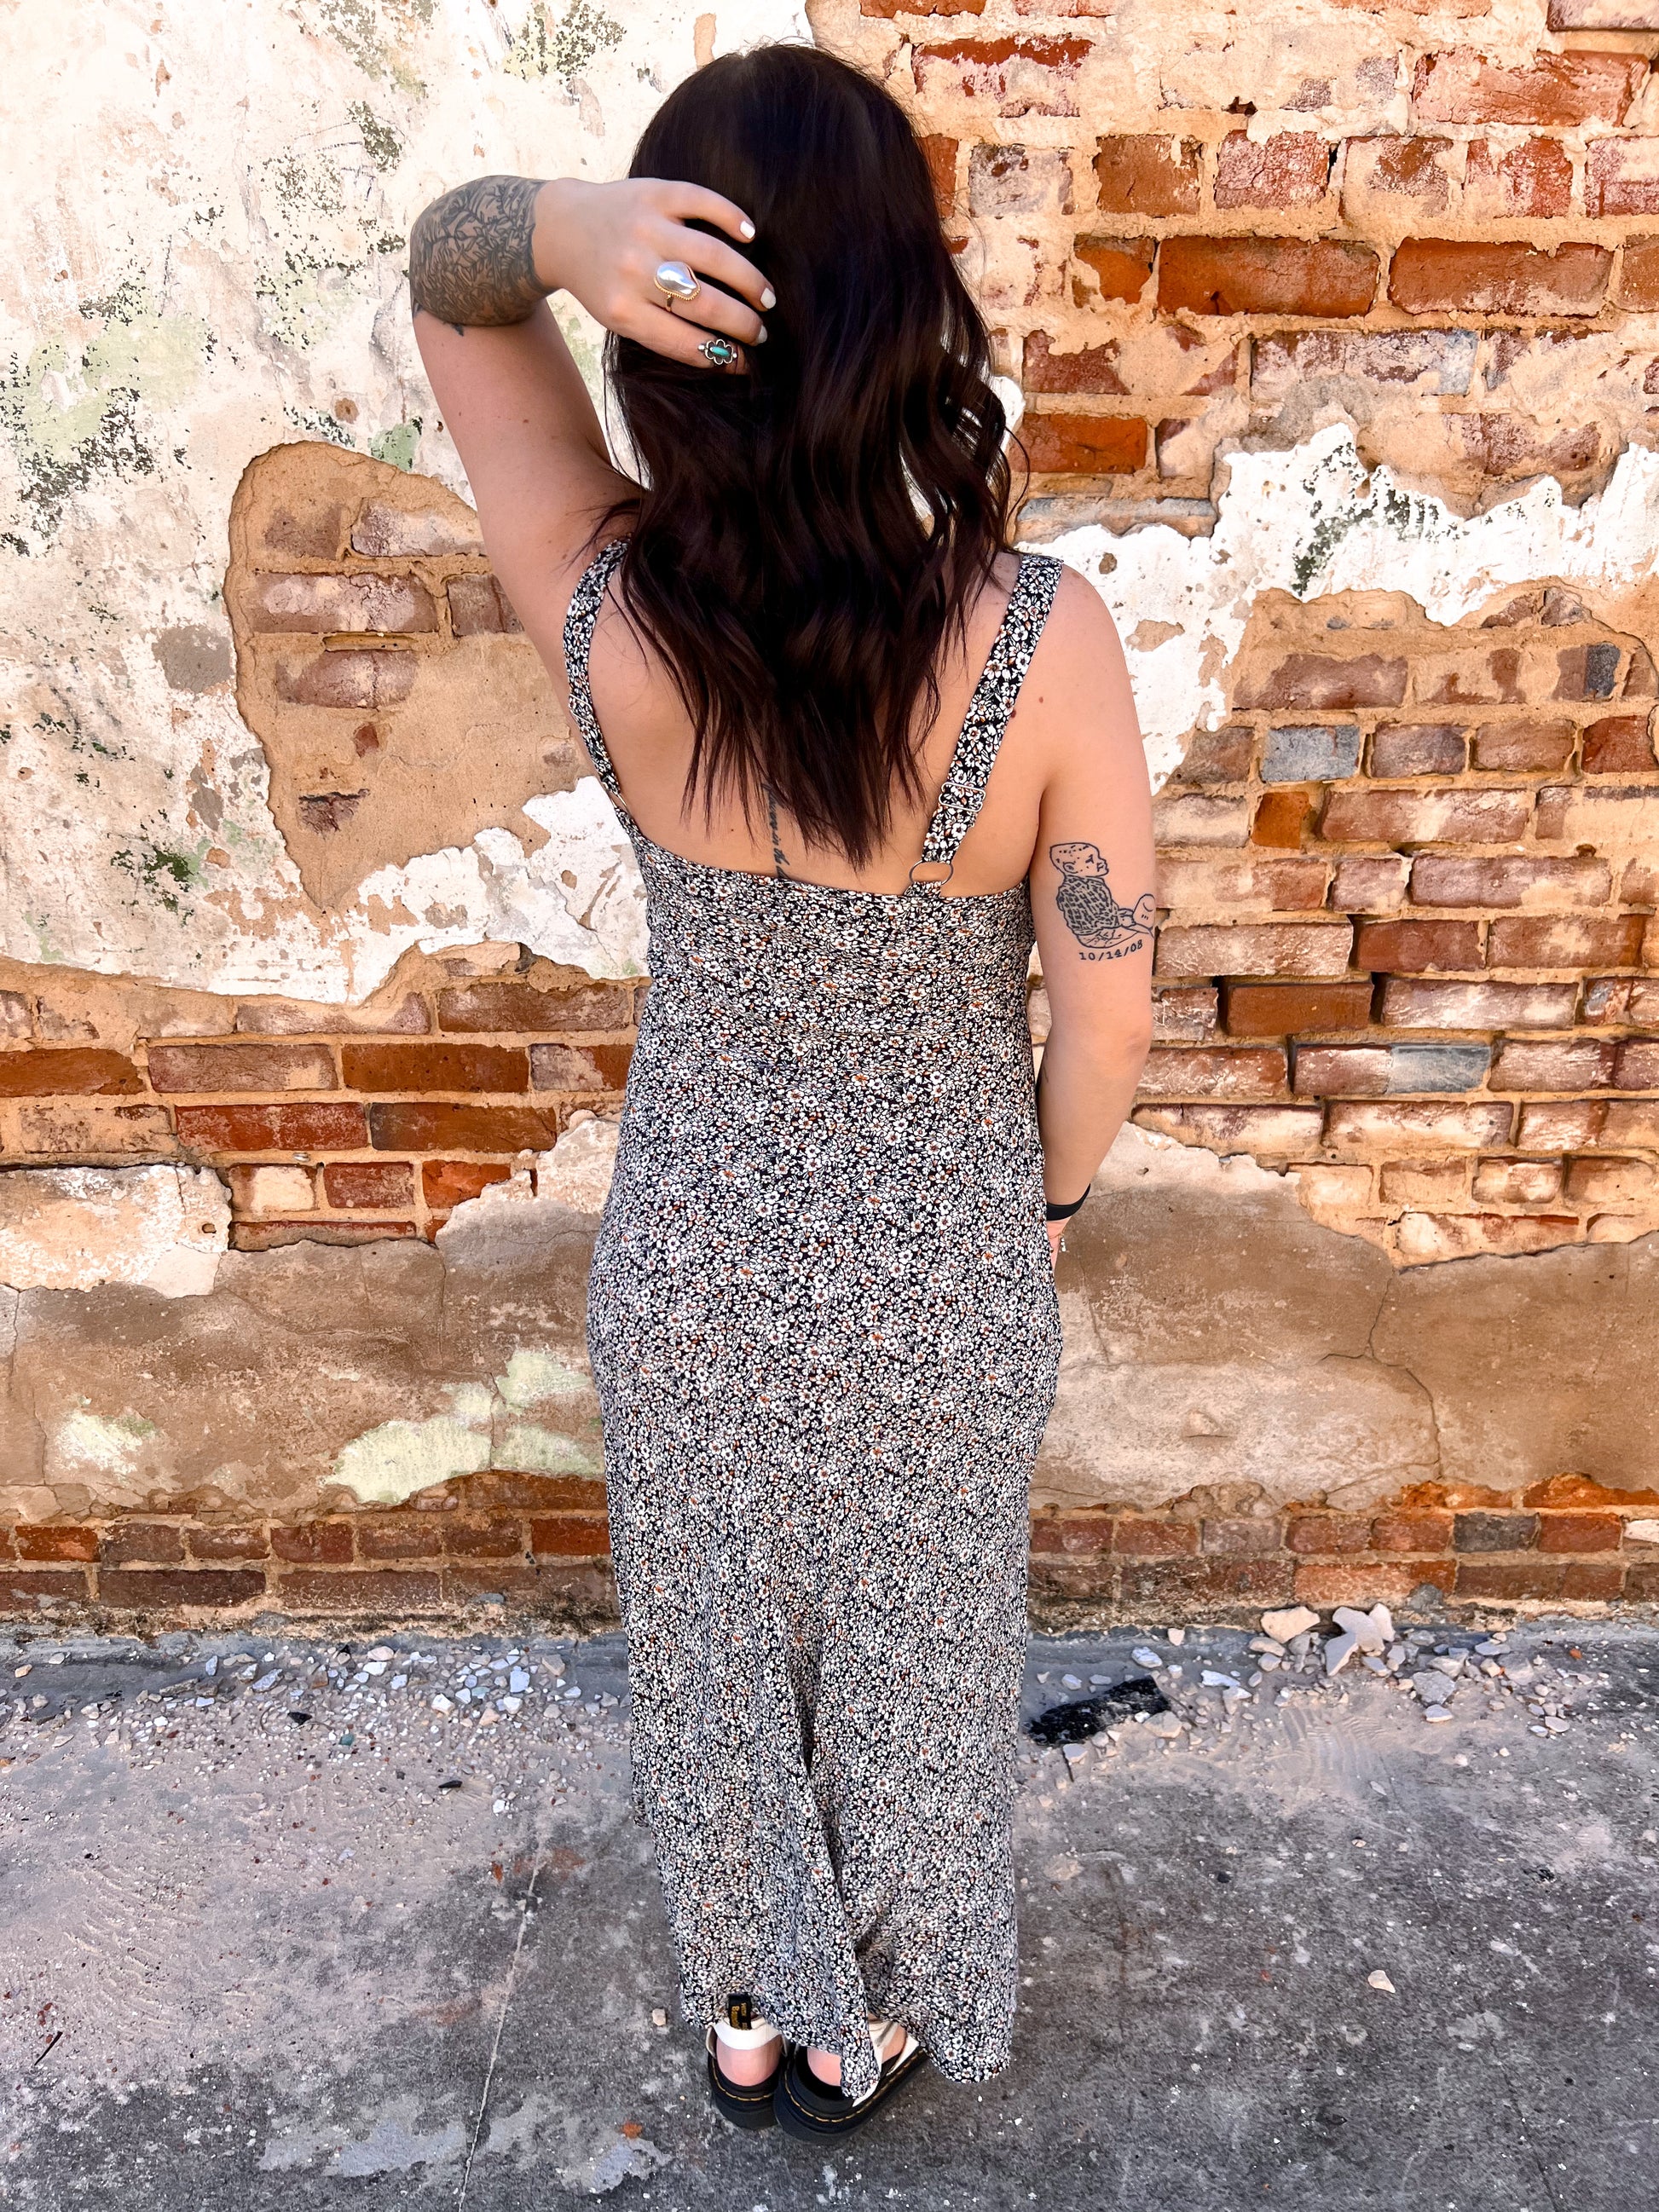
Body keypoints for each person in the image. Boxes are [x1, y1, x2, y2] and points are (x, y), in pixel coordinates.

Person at [408, 40, 1153, 2140]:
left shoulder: (602, 602)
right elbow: (1106, 1017)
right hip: (940, 1259)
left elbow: (451, 282)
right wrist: (1044, 1205)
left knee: (718, 1647)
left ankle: (751, 2006)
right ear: (908, 306)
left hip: (698, 1246)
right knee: (916, 1656)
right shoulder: (1044, 639)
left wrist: (563, 232)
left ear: (668, 325)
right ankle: (872, 2018)